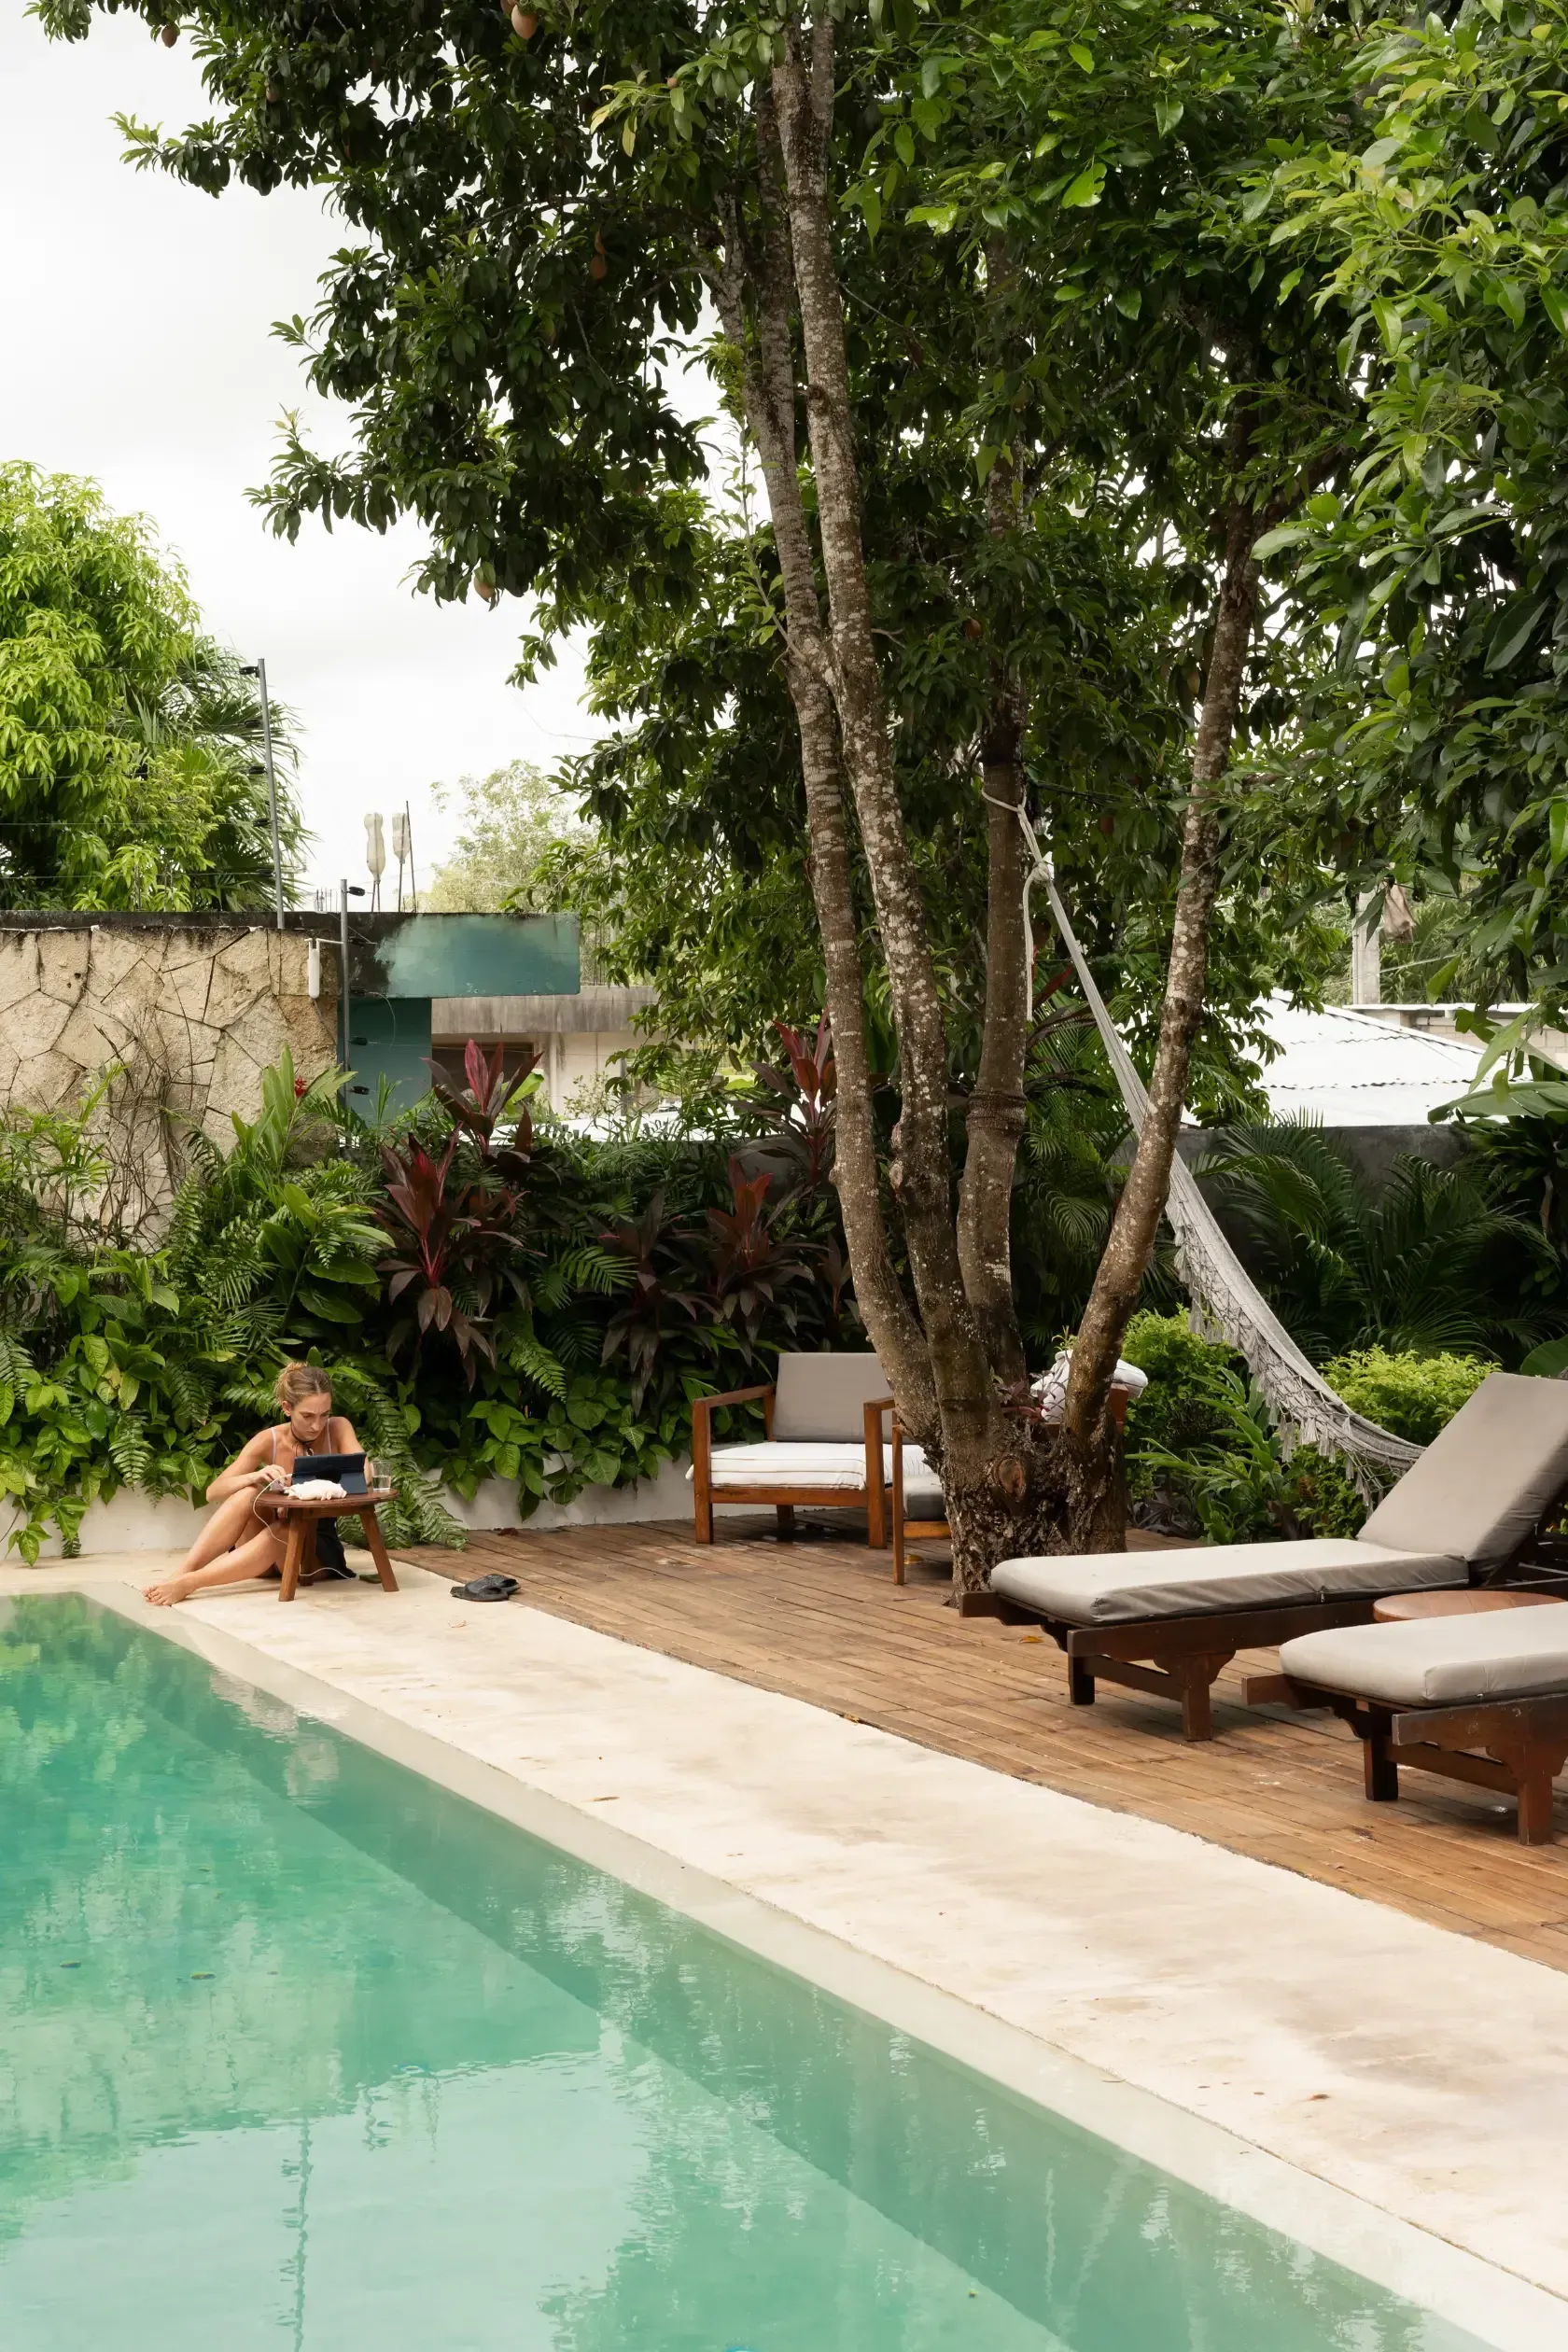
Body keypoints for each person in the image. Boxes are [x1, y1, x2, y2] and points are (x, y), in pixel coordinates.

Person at [144, 1364, 363, 1607]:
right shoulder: (269, 1440)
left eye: (324, 1414)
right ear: (287, 1408)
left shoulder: (337, 1428)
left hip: (310, 1552)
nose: (317, 1425)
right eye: (308, 1416)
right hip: (261, 1549)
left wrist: (364, 1469)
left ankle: (191, 1582)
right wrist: (255, 1476)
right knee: (247, 1494)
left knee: (287, 1529)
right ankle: (181, 1574)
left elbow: (363, 1471)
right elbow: (213, 1492)